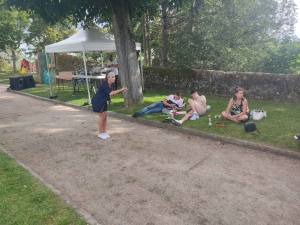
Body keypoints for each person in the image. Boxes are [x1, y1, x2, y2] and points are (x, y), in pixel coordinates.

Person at [92, 71, 128, 139]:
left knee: (105, 116)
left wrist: (109, 100)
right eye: (112, 77)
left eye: (114, 77)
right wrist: (121, 90)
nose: (114, 78)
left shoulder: (111, 84)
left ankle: (104, 132)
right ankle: (100, 133)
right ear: (108, 78)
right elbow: (110, 93)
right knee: (102, 117)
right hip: (97, 101)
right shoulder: (105, 84)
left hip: (103, 101)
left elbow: (106, 94)